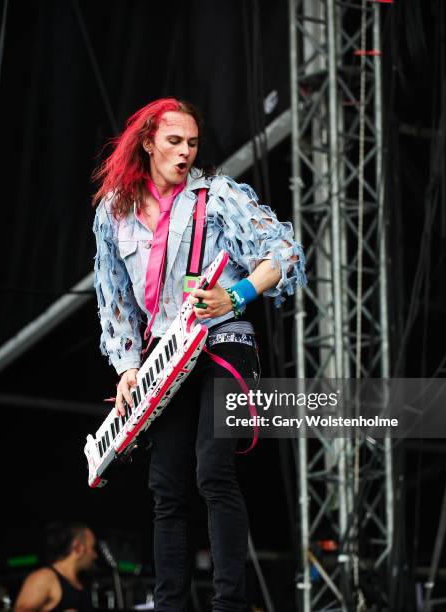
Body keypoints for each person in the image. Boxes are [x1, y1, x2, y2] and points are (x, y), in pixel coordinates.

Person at [92, 98, 306, 611]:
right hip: (164, 355)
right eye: (173, 141)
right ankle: (169, 604)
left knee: (213, 469)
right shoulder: (114, 211)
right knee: (166, 486)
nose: (185, 152)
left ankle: (229, 604)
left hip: (222, 340)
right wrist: (126, 369)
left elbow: (283, 252)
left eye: (191, 143)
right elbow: (113, 297)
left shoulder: (216, 196)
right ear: (148, 142)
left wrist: (235, 296)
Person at [14, 523, 97, 612]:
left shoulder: (82, 581)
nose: (95, 555)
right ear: (78, 547)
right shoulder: (44, 577)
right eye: (92, 548)